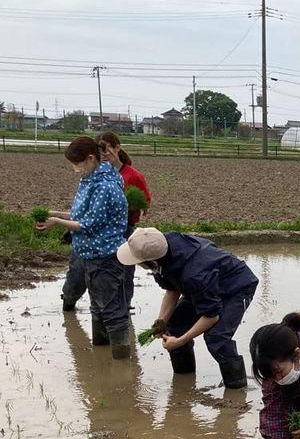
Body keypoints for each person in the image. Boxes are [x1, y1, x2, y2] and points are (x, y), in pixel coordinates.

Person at [116, 227, 258, 388]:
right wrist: (161, 322)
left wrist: (180, 341)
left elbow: (211, 316)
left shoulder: (194, 275)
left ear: (153, 262)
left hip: (236, 287)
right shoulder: (162, 250)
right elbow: (172, 290)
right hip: (204, 285)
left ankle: (236, 387)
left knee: (217, 337)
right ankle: (184, 382)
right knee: (174, 326)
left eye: (138, 262)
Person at [37, 136, 131, 359]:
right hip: (88, 254)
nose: (74, 169)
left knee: (112, 311)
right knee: (97, 308)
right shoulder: (89, 179)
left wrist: (56, 223)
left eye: (76, 163)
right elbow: (81, 215)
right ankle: (101, 358)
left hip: (105, 256)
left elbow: (88, 224)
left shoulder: (105, 186)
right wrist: (57, 214)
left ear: (90, 158)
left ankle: (122, 367)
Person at [61, 132, 151, 310]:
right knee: (77, 274)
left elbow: (144, 203)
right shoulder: (90, 175)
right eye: (101, 149)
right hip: (90, 235)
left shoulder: (132, 176)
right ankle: (69, 302)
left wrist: (128, 206)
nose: (105, 153)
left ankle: (122, 310)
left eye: (108, 148)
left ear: (117, 148)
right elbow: (85, 210)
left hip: (121, 232)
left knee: (123, 275)